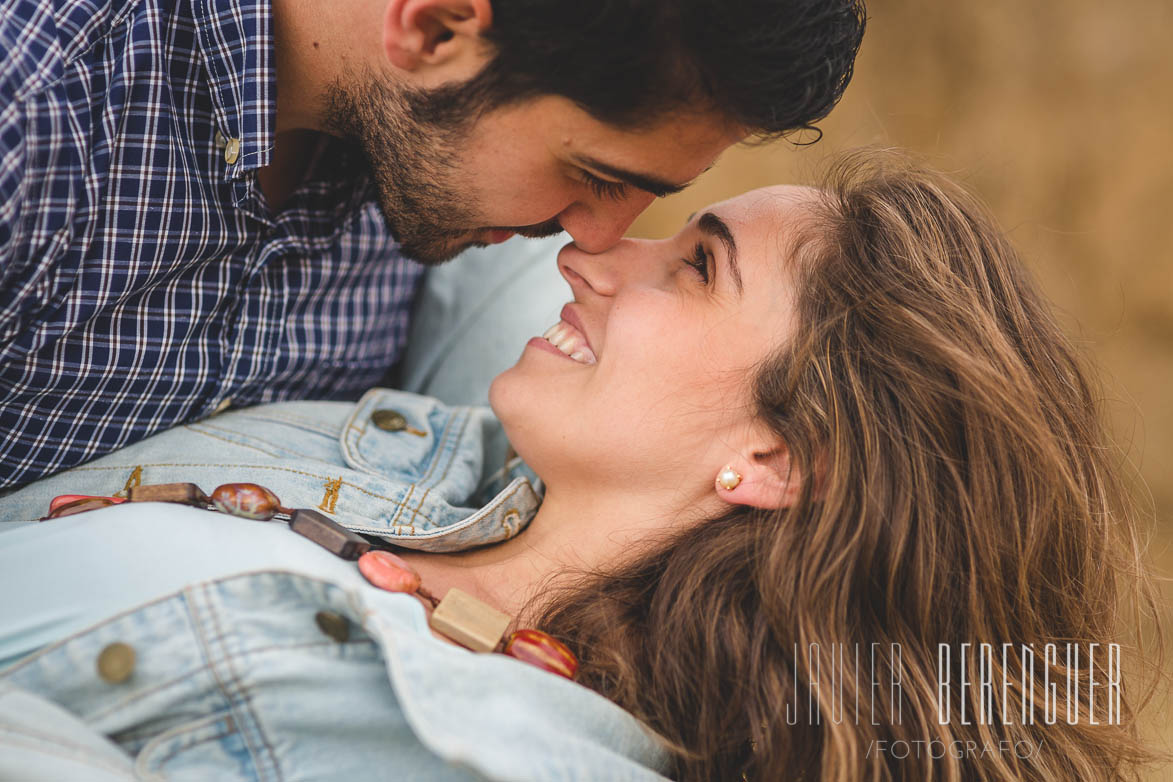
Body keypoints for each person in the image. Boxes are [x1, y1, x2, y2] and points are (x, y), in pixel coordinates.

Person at [0, 152, 1159, 781]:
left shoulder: (516, 755)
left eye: (699, 267)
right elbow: (480, 138)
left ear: (773, 455)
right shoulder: (481, 461)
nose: (601, 252)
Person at [0, 0, 867, 490]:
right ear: (435, 29)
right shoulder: (34, 109)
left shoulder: (434, 193)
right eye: (593, 175)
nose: (593, 242)